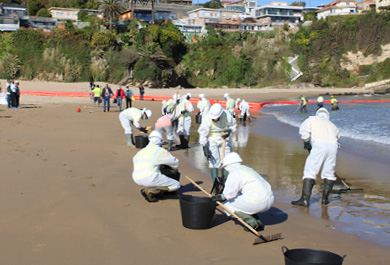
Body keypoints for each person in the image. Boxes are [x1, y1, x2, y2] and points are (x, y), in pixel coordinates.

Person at [212, 152, 274, 231]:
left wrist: (220, 197)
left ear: (227, 167)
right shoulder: (246, 168)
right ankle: (258, 222)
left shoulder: (234, 173)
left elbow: (229, 194)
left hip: (258, 202)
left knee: (227, 205)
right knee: (242, 198)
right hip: (270, 199)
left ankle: (252, 222)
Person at [291, 108, 340, 207]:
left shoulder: (313, 119)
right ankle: (325, 200)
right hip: (333, 147)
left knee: (310, 170)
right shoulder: (332, 125)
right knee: (329, 173)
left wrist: (306, 141)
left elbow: (304, 129)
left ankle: (304, 200)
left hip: (319, 145)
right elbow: (337, 136)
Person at [198, 103, 237, 194]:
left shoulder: (227, 115)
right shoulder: (207, 118)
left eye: (216, 118)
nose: (214, 119)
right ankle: (216, 185)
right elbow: (203, 133)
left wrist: (229, 130)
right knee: (213, 162)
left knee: (227, 162)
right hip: (212, 140)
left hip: (225, 140)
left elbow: (233, 125)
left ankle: (226, 184)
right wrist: (204, 146)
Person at [132, 130, 180, 203]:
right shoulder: (159, 150)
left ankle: (149, 188)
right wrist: (172, 171)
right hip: (150, 178)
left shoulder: (140, 152)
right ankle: (151, 190)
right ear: (160, 140)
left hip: (137, 179)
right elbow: (175, 162)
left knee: (156, 170)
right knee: (176, 185)